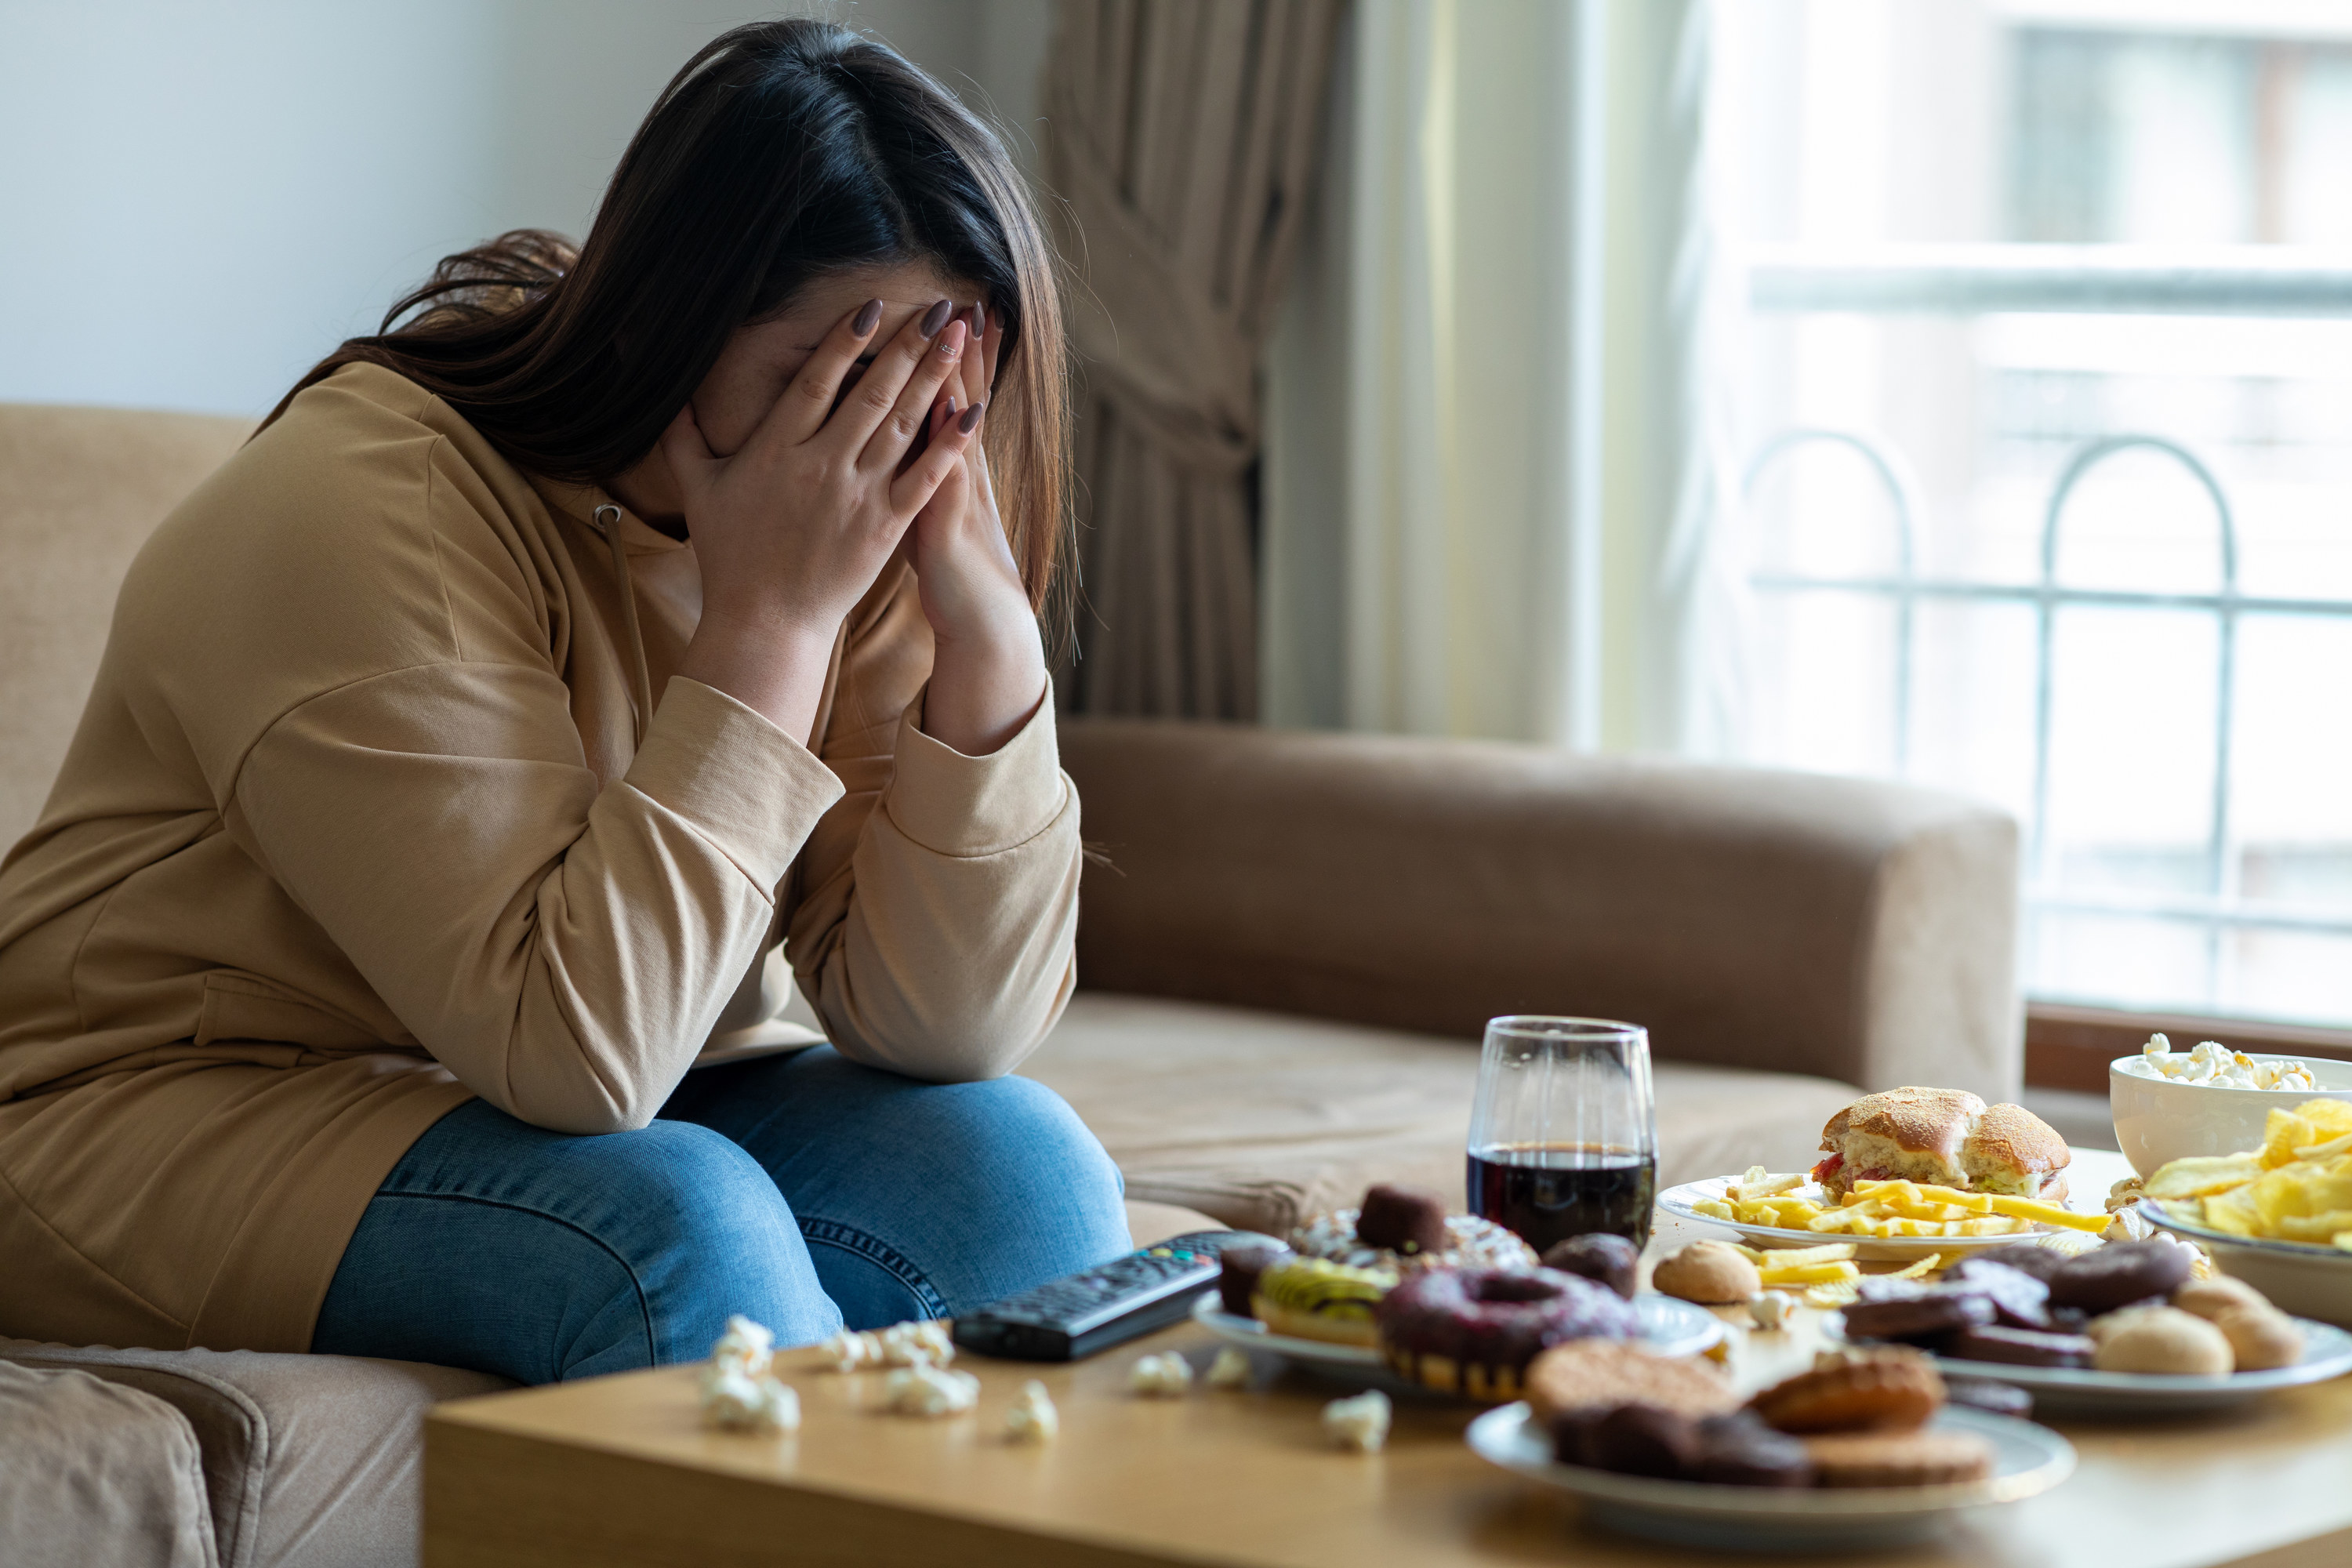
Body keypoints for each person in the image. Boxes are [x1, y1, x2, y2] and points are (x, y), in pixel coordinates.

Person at [0, 19, 1131, 1385]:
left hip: (539, 1092)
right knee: (672, 1232)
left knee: (1020, 1179)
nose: (871, 439)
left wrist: (990, 633)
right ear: (670, 321)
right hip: (166, 1108)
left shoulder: (871, 521)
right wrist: (769, 623)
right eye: (822, 382)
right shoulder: (365, 502)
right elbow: (580, 1057)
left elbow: (943, 1027)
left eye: (926, 391)